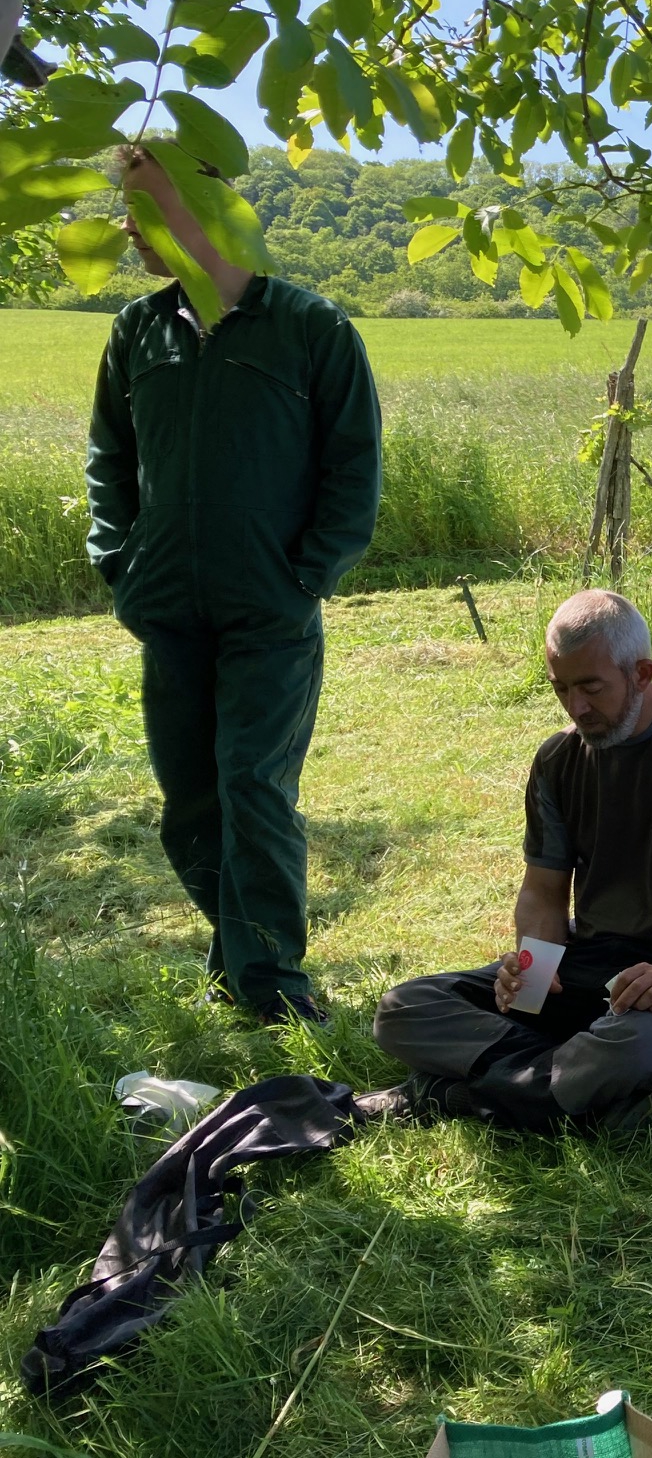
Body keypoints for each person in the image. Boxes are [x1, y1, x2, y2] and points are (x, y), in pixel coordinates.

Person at [85, 144, 382, 1025]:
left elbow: (354, 466)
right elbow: (111, 458)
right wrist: (120, 560)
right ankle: (241, 957)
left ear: (206, 209)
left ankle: (273, 985)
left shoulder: (311, 329)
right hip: (168, 607)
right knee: (189, 802)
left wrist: (307, 575)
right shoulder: (137, 332)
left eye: (142, 206)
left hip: (270, 610)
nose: (128, 228)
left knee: (252, 785)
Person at [367, 591, 652, 1131]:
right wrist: (533, 969)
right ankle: (576, 1091)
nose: (576, 707)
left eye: (591, 687)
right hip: (591, 957)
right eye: (561, 689)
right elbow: (542, 890)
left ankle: (465, 1094)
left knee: (646, 1044)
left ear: (643, 672)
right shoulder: (558, 758)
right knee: (403, 1009)